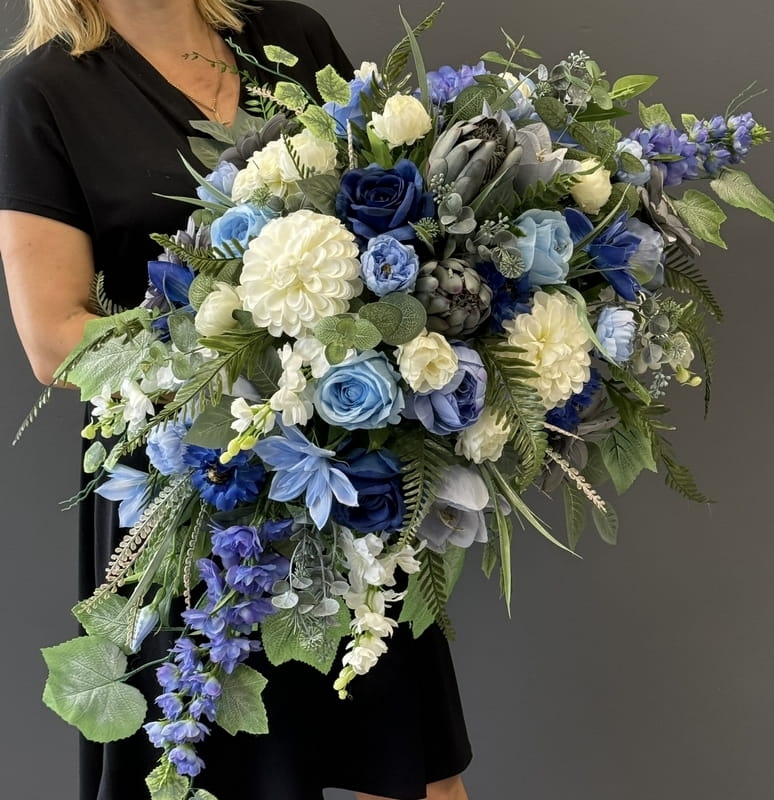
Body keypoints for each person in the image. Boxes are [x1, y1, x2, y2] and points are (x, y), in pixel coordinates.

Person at [0, 2, 472, 799]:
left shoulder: (291, 36)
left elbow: (389, 213)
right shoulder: (41, 94)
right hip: (195, 489)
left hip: (345, 468)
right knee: (227, 774)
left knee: (409, 776)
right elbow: (55, 339)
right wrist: (243, 353)